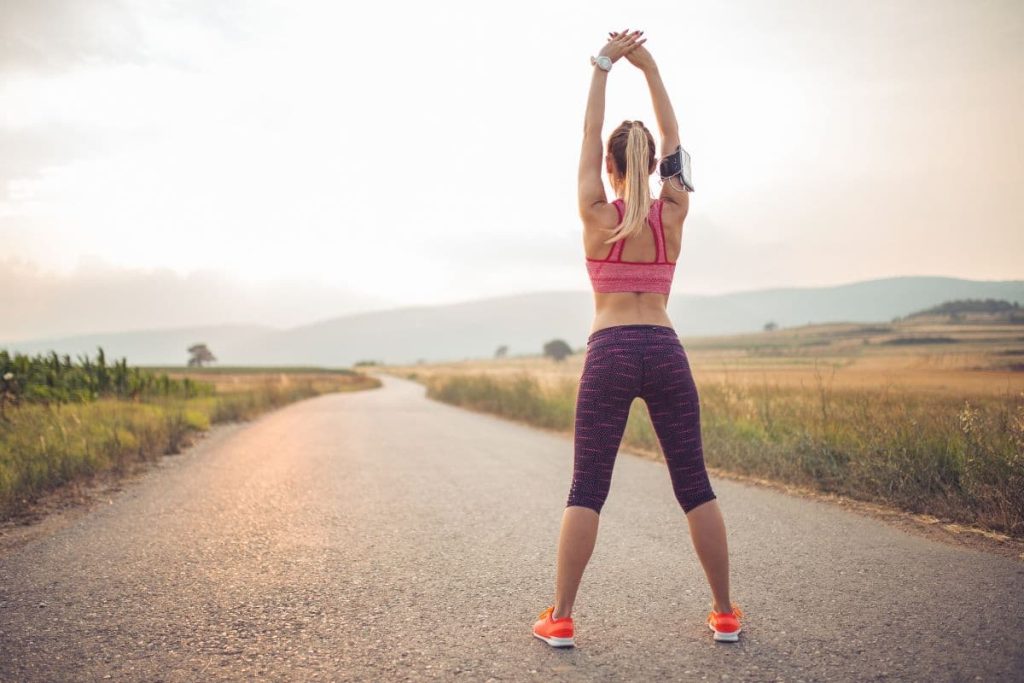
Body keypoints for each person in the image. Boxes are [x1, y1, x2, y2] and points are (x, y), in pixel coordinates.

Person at [532, 29, 742, 648]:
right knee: (694, 485)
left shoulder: (596, 213)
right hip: (665, 350)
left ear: (610, 167)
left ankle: (561, 618)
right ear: (652, 167)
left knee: (587, 489)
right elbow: (675, 139)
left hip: (611, 352)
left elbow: (588, 134)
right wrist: (648, 68)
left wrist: (603, 67)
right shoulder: (672, 212)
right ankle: (725, 613)